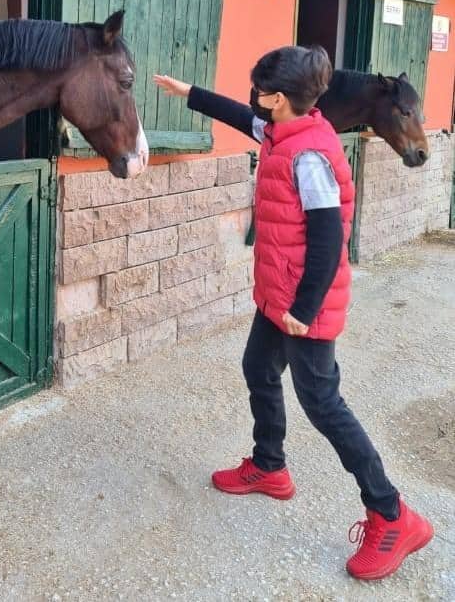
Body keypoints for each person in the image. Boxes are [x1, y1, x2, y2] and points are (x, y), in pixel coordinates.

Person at [153, 45, 433, 581]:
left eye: (259, 92)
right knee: (258, 368)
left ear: (278, 99)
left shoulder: (309, 156)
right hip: (279, 294)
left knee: (323, 403)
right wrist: (190, 93)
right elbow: (241, 118)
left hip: (305, 301)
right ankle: (269, 466)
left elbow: (329, 240)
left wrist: (304, 309)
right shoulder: (285, 129)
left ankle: (393, 515)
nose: (253, 98)